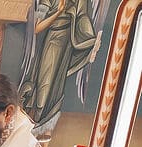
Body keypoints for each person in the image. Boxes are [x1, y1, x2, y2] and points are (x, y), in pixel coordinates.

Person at [18, 0, 100, 136]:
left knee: (56, 88)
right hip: (52, 42)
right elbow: (37, 28)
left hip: (67, 44)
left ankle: (43, 132)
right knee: (45, 84)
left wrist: (89, 39)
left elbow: (82, 17)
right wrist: (58, 12)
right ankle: (34, 126)